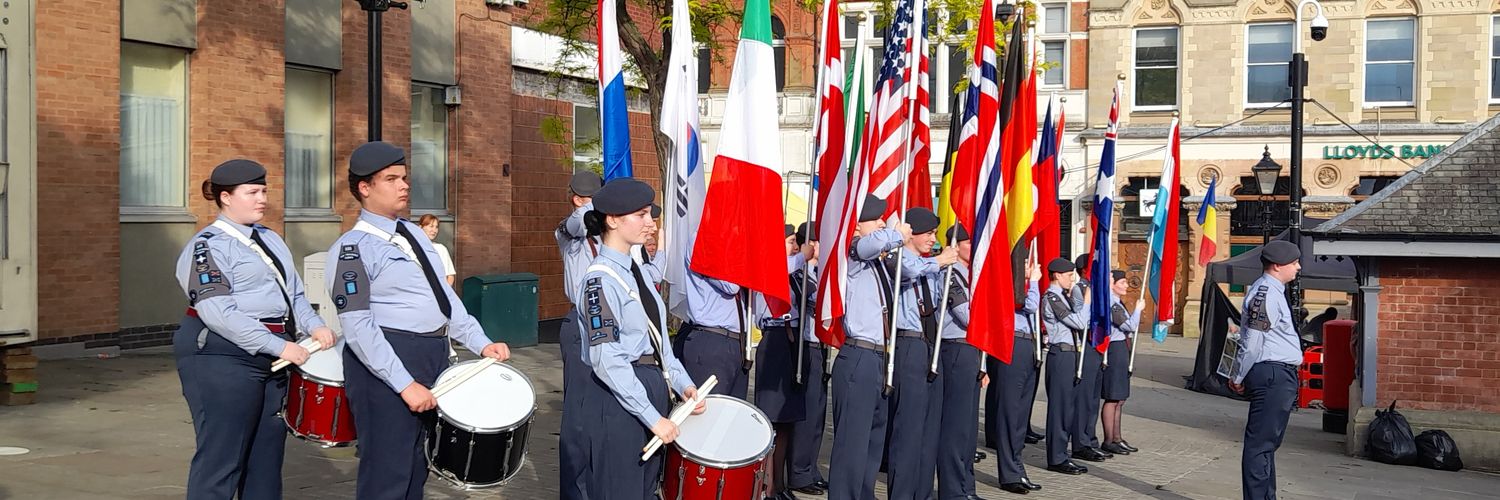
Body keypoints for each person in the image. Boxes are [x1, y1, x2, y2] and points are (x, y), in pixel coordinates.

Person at [327, 141, 512, 499]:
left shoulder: (411, 234)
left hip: (431, 353)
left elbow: (444, 298)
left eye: (405, 177)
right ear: (365, 188)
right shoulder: (352, 249)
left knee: (417, 466)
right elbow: (358, 327)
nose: (404, 185)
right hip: (388, 360)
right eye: (392, 179)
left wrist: (479, 341)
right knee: (388, 472)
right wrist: (404, 384)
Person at [173, 159, 337, 500]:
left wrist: (315, 325)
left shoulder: (269, 238)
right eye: (252, 192)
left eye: (263, 190)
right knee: (223, 456)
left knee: (266, 456)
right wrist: (279, 347)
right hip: (220, 354)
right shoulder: (206, 247)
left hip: (272, 352)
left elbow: (293, 293)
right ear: (225, 197)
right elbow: (217, 311)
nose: (262, 198)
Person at [574, 178, 705, 500]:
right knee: (621, 489)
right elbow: (607, 359)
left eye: (650, 214)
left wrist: (683, 385)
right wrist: (651, 416)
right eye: (641, 215)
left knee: (646, 490)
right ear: (613, 220)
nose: (651, 223)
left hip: (649, 387)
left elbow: (660, 345)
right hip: (619, 397)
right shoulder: (599, 280)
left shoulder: (637, 272)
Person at [828, 195, 907, 500]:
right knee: (853, 442)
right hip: (858, 355)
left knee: (873, 441)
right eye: (877, 220)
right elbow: (865, 246)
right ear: (858, 225)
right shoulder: (852, 252)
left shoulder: (878, 263)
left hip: (878, 357)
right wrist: (895, 235)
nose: (883, 223)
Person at [884, 207, 956, 500]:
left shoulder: (930, 266)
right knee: (909, 427)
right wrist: (939, 262)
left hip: (930, 345)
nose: (933, 239)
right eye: (928, 233)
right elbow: (908, 271)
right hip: (908, 344)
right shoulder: (899, 258)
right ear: (911, 233)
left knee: (929, 429)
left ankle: (922, 493)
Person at [1228, 240, 1302, 500]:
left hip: (1278, 373)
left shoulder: (1273, 290)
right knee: (1260, 445)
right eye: (1294, 263)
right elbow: (1253, 341)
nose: (1298, 267)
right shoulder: (1265, 294)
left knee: (1267, 444)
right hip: (1272, 374)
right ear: (1278, 265)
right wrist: (1238, 375)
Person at [931, 224, 997, 499]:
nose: (976, 248)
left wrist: (982, 364)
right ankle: (952, 490)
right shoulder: (950, 275)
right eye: (970, 243)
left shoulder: (971, 275)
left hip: (972, 351)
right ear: (956, 245)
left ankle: (966, 487)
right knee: (955, 427)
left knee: (968, 429)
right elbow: (967, 316)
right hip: (955, 350)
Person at [754, 224, 816, 500]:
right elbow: (779, 272)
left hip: (793, 342)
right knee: (772, 418)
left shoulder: (794, 274)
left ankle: (780, 484)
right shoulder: (769, 267)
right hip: (775, 340)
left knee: (788, 418)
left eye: (794, 242)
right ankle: (766, 486)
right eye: (789, 241)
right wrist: (803, 255)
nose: (794, 246)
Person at [555, 171, 604, 500]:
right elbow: (578, 224)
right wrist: (594, 211)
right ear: (577, 199)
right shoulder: (570, 229)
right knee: (578, 417)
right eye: (589, 198)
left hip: (608, 326)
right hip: (581, 324)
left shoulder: (607, 230)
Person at [994, 256, 1044, 495]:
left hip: (1028, 346)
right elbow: (1031, 306)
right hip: (1011, 345)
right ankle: (1009, 473)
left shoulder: (1020, 288)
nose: (1029, 267)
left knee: (1021, 415)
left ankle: (1018, 468)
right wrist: (1034, 283)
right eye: (1024, 263)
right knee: (1010, 414)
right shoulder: (1005, 285)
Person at [788, 223, 831, 497]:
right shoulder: (799, 273)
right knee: (806, 414)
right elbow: (814, 298)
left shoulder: (816, 272)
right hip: (803, 345)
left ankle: (810, 468)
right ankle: (799, 472)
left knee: (817, 414)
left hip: (819, 345)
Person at [1040, 257, 1091, 476]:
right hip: (1060, 353)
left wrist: (1078, 293)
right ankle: (1057, 457)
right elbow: (1079, 322)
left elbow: (1080, 315)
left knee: (1068, 406)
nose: (1073, 279)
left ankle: (1063, 454)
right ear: (1058, 275)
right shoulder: (1052, 297)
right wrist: (1087, 303)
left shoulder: (1065, 295)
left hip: (1070, 354)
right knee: (1059, 408)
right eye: (1070, 275)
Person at [1071, 254, 1111, 461]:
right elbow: (1081, 316)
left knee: (1094, 398)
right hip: (1085, 344)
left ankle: (1090, 439)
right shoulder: (1080, 289)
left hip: (1096, 345)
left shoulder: (1096, 289)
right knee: (1084, 398)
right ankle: (1080, 443)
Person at [1101, 270, 1144, 456]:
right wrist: (1138, 311)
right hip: (1114, 349)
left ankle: (1117, 437)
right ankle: (1109, 439)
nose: (1126, 286)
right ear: (1113, 284)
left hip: (1122, 348)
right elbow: (1128, 326)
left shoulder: (1118, 303)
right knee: (1113, 396)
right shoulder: (1112, 303)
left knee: (1120, 397)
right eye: (1123, 282)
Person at [416, 214, 456, 287]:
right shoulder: (411, 247)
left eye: (436, 227)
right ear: (420, 227)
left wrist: (445, 292)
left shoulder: (441, 248)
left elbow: (450, 276)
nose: (434, 230)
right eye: (431, 226)